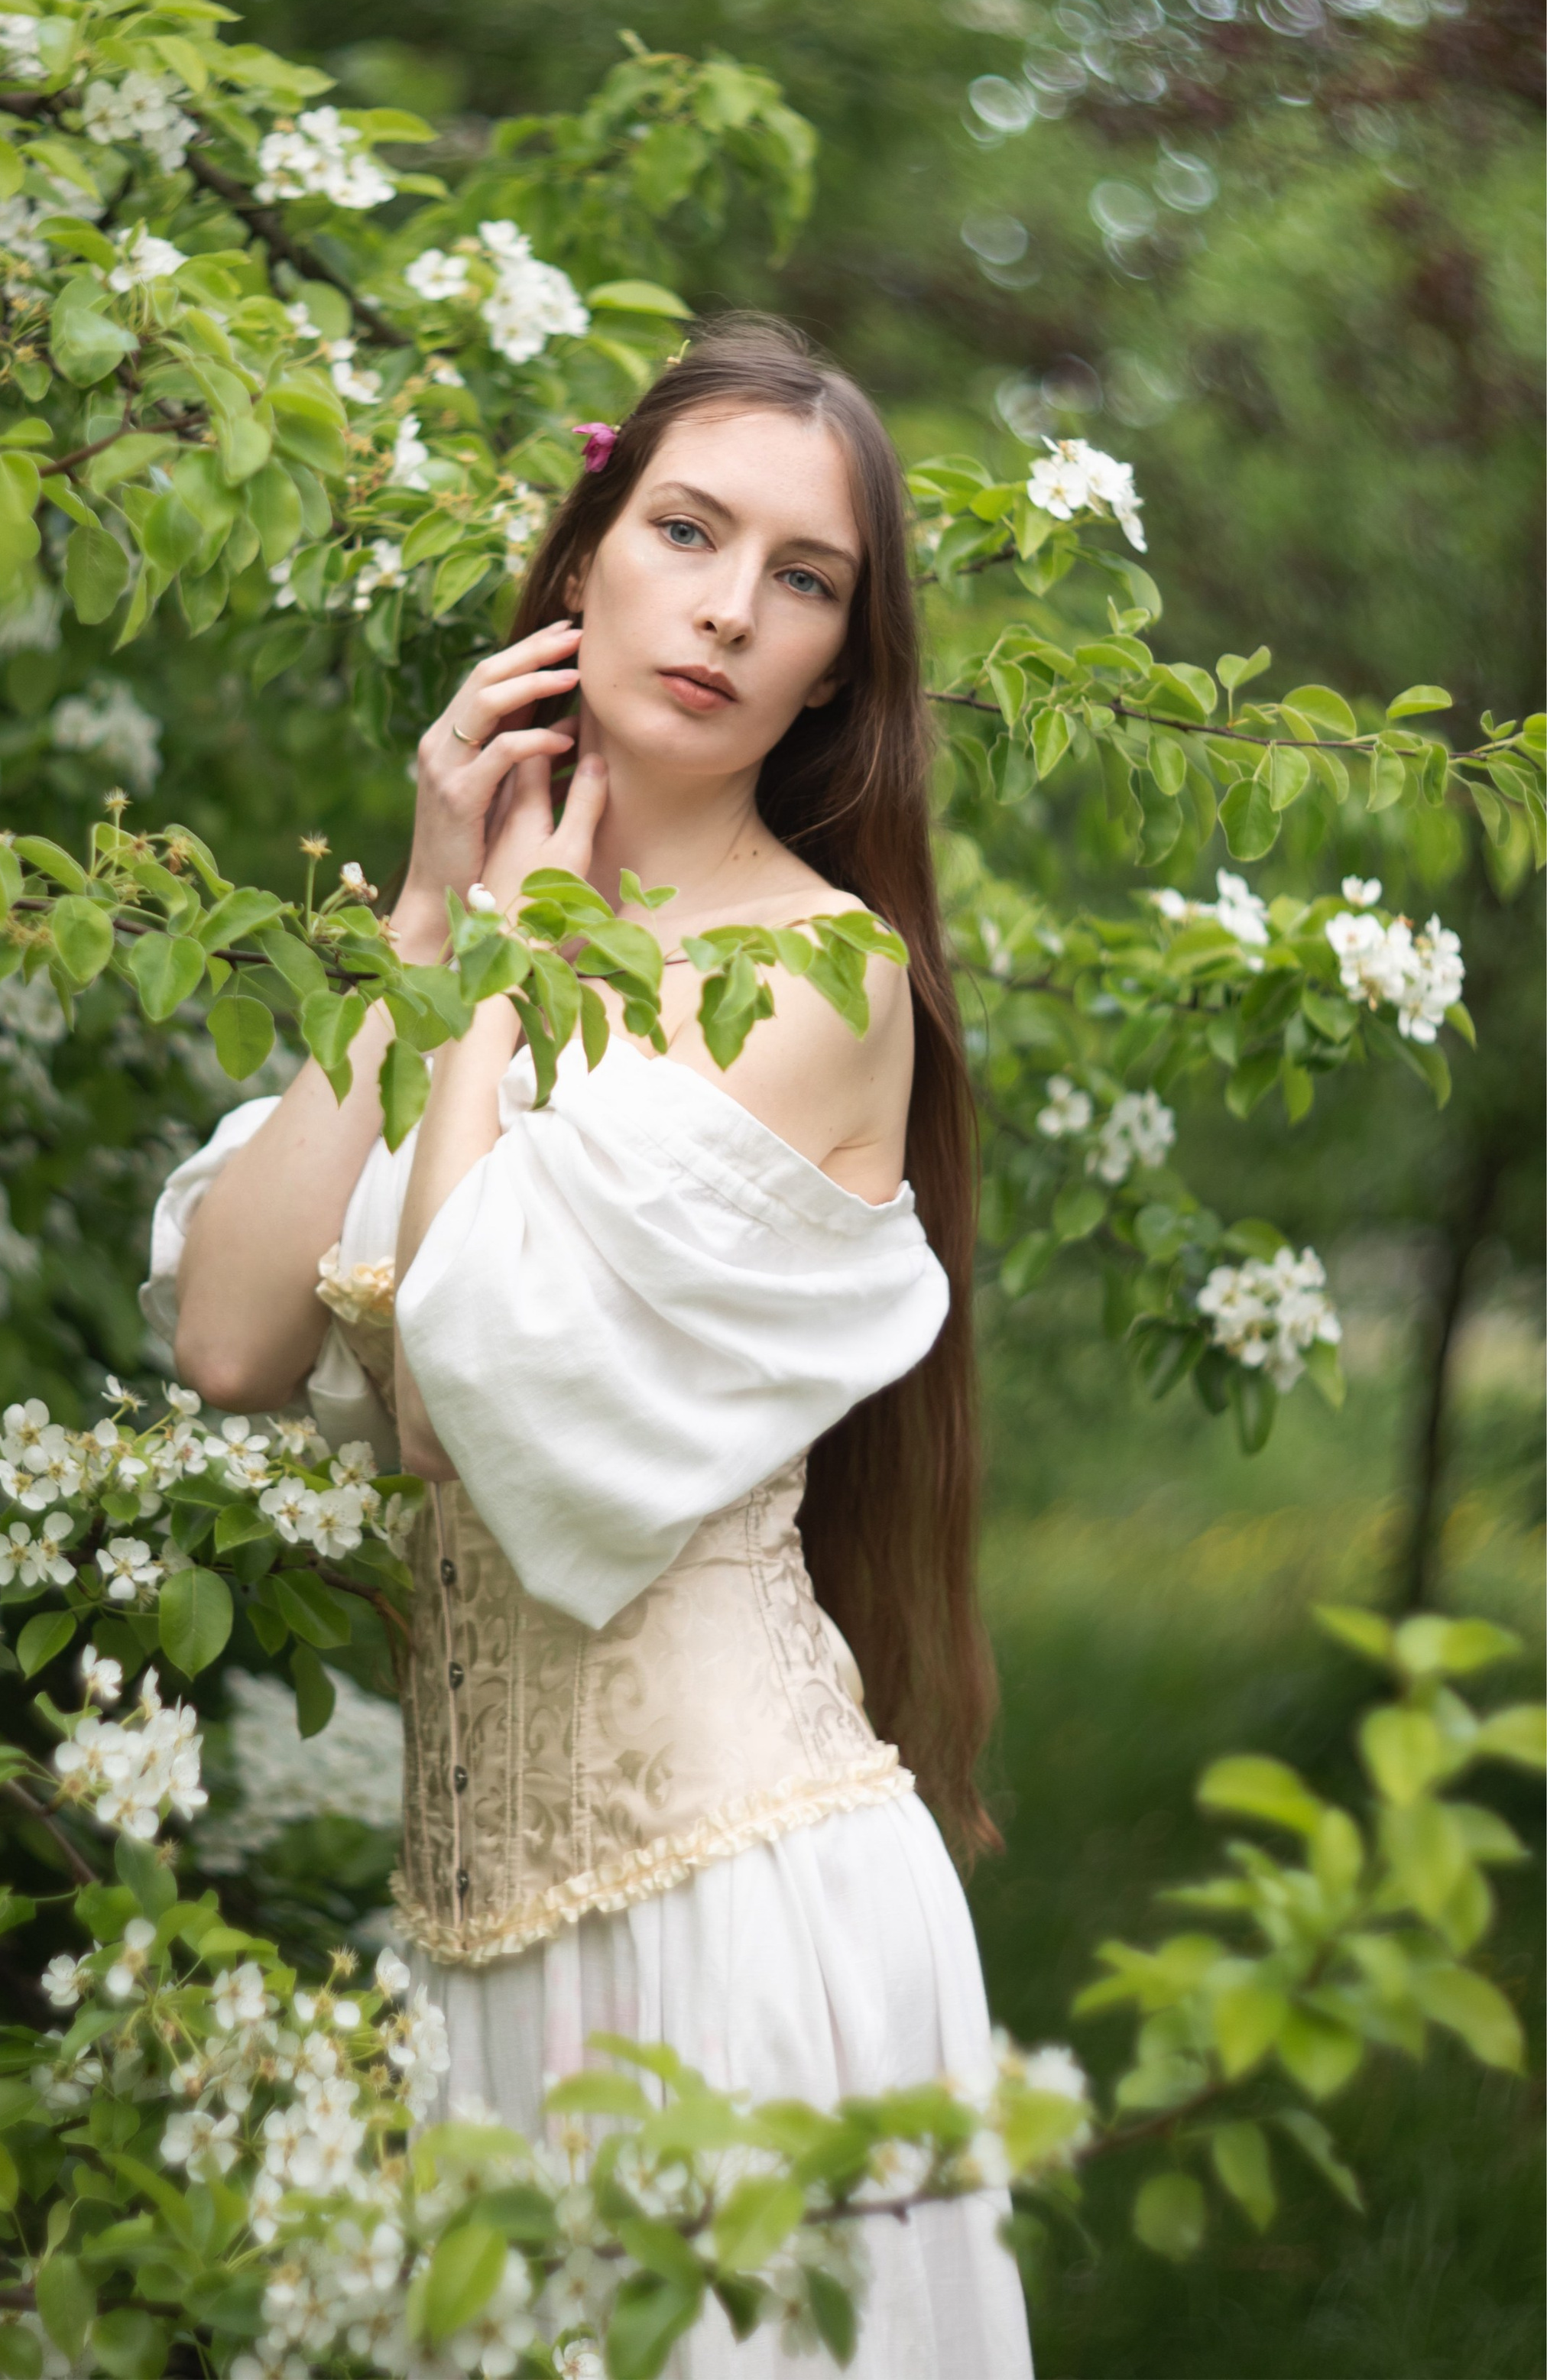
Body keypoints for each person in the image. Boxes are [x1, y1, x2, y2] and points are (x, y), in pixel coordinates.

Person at [146, 314, 1036, 2376]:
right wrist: (441, 907)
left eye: (803, 579)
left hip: (735, 1911)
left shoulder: (822, 978)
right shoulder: (474, 911)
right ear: (583, 561)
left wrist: (512, 971)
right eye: (689, 530)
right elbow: (230, 1336)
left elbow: (472, 1399)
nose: (731, 607)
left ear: (840, 659)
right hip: (471, 1939)